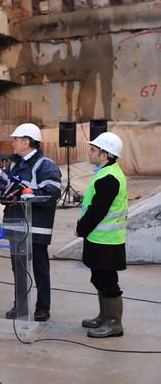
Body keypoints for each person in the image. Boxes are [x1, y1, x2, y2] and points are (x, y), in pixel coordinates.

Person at [3, 123, 62, 322]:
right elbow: (9, 189)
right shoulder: (14, 164)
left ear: (26, 142)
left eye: (16, 140)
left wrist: (28, 193)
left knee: (40, 269)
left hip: (35, 227)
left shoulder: (45, 165)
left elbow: (52, 191)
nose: (12, 143)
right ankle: (20, 305)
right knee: (17, 268)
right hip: (15, 224)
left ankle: (42, 308)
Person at [76, 132, 127, 338]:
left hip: (107, 240)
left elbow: (98, 210)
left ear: (105, 154)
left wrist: (81, 229)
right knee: (99, 278)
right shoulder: (105, 172)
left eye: (93, 150)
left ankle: (114, 323)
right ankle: (104, 316)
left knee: (107, 281)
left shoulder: (109, 178)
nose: (90, 152)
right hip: (99, 238)